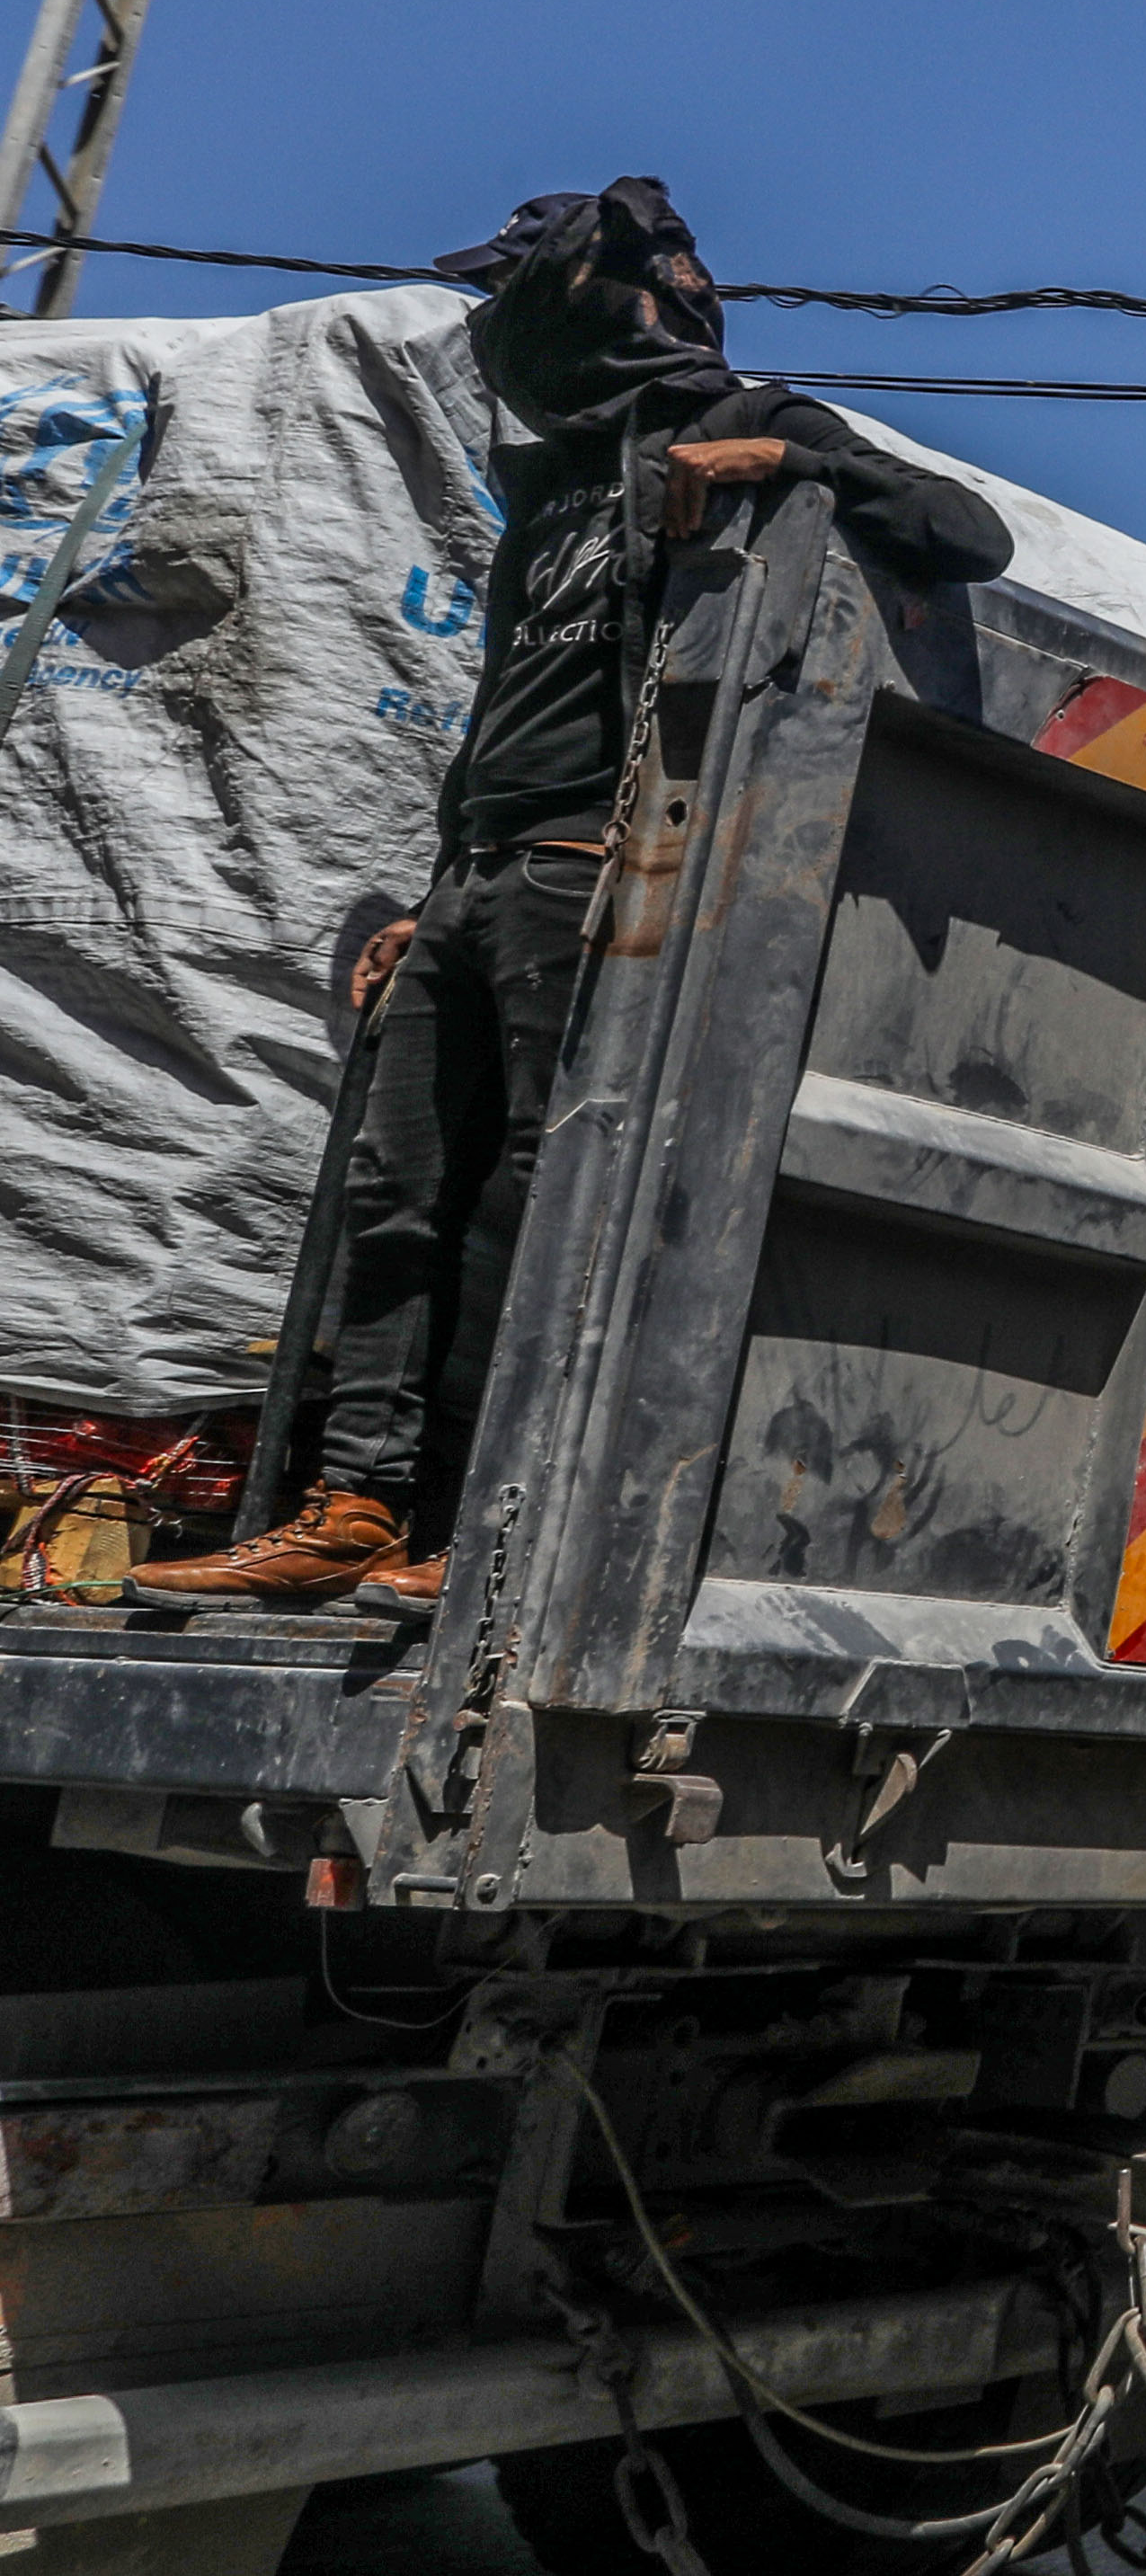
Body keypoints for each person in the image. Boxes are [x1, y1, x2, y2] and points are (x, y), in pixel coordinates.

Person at [146, 182, 1010, 1612]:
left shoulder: (765, 422)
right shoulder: (547, 484)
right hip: (479, 870)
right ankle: (356, 1504)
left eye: (528, 295)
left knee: (538, 1196)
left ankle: (490, 1517)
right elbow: (508, 703)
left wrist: (766, 472)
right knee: (398, 1192)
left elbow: (965, 533)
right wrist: (429, 895)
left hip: (590, 865)